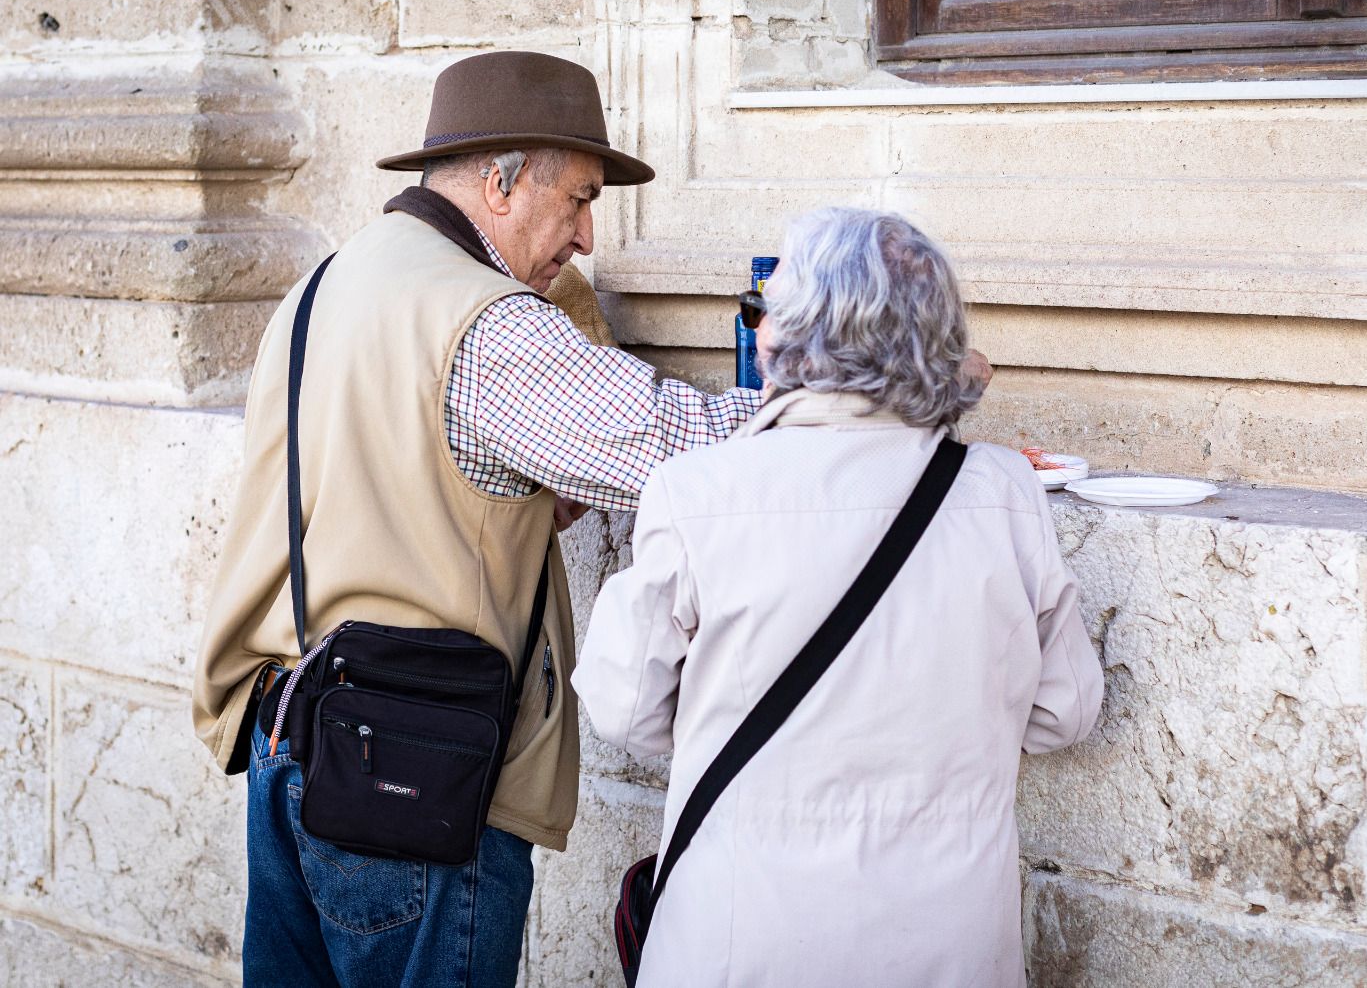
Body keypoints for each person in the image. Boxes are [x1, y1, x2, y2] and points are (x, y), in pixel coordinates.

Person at [190, 51, 767, 987]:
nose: (585, 236)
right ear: (500, 181)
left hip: (290, 747)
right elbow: (677, 442)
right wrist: (867, 415)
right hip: (414, 780)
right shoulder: (488, 321)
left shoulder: (324, 286)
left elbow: (424, 483)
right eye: (578, 198)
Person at [573, 207, 1105, 988]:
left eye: (760, 312)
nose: (756, 330)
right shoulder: (1003, 490)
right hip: (949, 943)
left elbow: (624, 708)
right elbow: (1066, 710)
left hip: (742, 936)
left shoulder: (698, 491)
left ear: (787, 339)